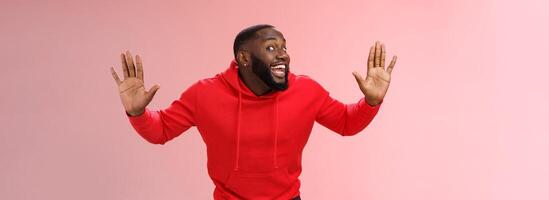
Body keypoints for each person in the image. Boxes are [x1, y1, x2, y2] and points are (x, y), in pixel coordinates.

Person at [110, 24, 397, 200]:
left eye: (284, 47)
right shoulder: (204, 94)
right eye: (272, 48)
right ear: (243, 58)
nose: (283, 54)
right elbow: (161, 130)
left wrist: (370, 103)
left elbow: (346, 122)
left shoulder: (306, 91)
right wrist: (137, 114)